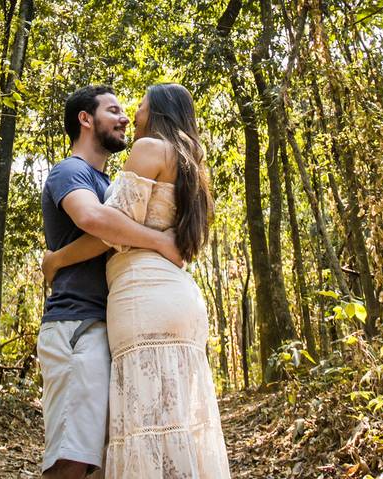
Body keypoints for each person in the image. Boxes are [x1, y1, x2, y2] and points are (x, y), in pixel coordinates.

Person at [43, 83, 231, 478]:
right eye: (117, 110)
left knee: (142, 429)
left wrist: (56, 260)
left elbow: (107, 226)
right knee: (173, 423)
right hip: (170, 299)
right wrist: (163, 242)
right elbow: (98, 219)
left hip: (143, 299)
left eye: (138, 107)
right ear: (86, 119)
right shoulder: (187, 161)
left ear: (158, 112)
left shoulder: (147, 153)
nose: (131, 115)